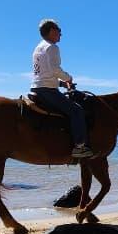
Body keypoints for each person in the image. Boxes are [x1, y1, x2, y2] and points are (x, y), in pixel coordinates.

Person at [30, 19, 94, 158]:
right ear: (52, 31)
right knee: (77, 111)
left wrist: (62, 84)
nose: (61, 35)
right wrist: (68, 78)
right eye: (59, 32)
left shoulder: (38, 48)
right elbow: (55, 69)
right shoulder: (52, 47)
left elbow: (44, 74)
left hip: (38, 88)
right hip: (47, 90)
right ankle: (79, 147)